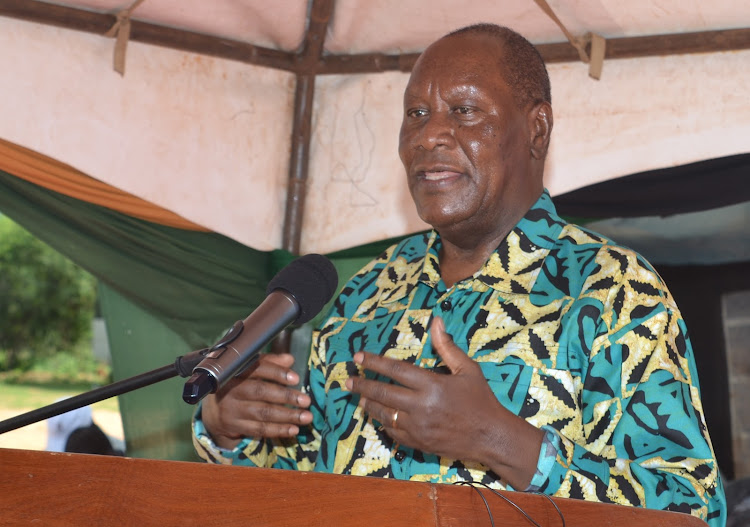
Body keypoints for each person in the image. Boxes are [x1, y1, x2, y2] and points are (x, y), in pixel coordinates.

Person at [193, 23, 725, 524]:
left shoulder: (612, 291)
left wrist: (500, 440)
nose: (430, 136)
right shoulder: (366, 294)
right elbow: (302, 487)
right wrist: (231, 430)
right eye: (417, 114)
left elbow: (689, 512)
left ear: (536, 129)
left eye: (465, 110)